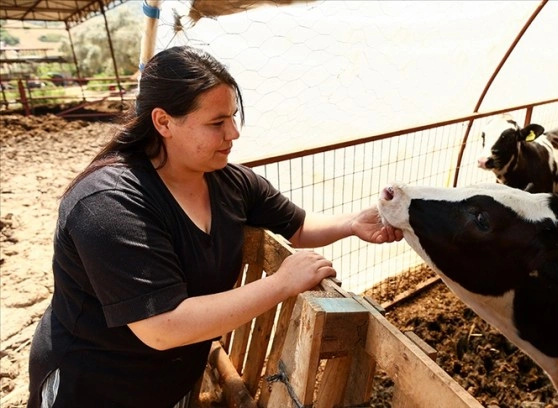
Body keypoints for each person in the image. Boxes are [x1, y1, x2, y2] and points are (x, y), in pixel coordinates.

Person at [27, 45, 403, 408]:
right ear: (163, 122)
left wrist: (353, 222)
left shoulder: (229, 182)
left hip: (170, 382)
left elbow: (298, 226)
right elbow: (162, 326)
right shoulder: (109, 203)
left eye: (233, 116)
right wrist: (281, 283)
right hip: (94, 387)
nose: (234, 133)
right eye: (217, 122)